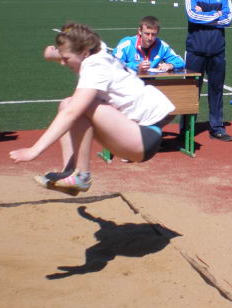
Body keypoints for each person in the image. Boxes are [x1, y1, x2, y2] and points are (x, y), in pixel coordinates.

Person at [9, 23, 175, 195]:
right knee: (67, 103)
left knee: (75, 106)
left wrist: (34, 151)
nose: (63, 63)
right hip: (133, 131)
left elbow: (71, 113)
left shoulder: (95, 66)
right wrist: (51, 54)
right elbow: (74, 47)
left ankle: (81, 176)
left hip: (144, 137)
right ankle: (71, 173)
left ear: (84, 54)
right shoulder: (95, 48)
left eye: (66, 59)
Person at [184, 0, 232, 141]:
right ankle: (186, 129)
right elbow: (191, 15)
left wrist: (203, 13)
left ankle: (217, 127)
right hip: (195, 50)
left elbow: (228, 19)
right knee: (190, 91)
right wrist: (215, 14)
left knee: (216, 90)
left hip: (217, 50)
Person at [113, 15, 185, 73]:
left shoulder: (162, 46)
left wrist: (170, 65)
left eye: (153, 34)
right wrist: (136, 67)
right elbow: (113, 63)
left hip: (151, 83)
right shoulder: (127, 44)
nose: (150, 38)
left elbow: (181, 61)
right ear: (140, 31)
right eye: (147, 34)